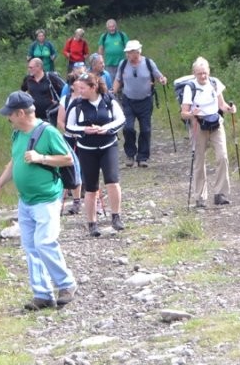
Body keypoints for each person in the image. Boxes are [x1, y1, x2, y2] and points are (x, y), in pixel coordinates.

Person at [0, 91, 78, 310]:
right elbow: (14, 161)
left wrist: (41, 158)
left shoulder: (48, 132)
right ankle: (42, 294)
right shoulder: (17, 134)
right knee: (30, 247)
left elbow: (67, 159)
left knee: (44, 243)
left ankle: (66, 284)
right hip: (25, 201)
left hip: (46, 199)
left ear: (20, 113)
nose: (7, 118)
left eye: (10, 114)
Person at [66, 72, 127, 236]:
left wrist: (106, 128)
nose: (79, 91)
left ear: (93, 87)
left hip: (108, 146)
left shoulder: (108, 100)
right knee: (91, 188)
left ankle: (116, 217)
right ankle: (92, 224)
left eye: (82, 88)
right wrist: (84, 130)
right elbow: (68, 127)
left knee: (112, 181)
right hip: (86, 150)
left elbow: (121, 119)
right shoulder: (76, 104)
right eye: (78, 88)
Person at [180, 57, 236, 207]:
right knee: (199, 161)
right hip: (198, 125)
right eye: (199, 73)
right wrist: (192, 114)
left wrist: (230, 109)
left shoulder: (214, 83)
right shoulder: (190, 87)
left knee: (223, 156)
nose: (203, 76)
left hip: (216, 124)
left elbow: (222, 105)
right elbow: (183, 113)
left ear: (209, 71)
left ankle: (220, 194)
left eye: (205, 73)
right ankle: (200, 197)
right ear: (194, 73)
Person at [113, 40, 166, 167]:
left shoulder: (148, 63)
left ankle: (143, 157)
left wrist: (162, 79)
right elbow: (118, 79)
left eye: (130, 52)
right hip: (128, 100)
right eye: (127, 52)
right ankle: (130, 155)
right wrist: (113, 92)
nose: (128, 54)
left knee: (145, 129)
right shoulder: (123, 64)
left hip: (145, 101)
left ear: (137, 52)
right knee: (128, 128)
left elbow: (158, 75)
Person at [57, 66, 88, 216]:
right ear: (72, 85)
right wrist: (70, 131)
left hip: (86, 137)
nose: (80, 83)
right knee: (71, 168)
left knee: (84, 166)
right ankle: (75, 201)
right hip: (69, 138)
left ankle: (83, 196)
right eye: (77, 81)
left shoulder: (88, 98)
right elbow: (60, 121)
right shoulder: (66, 99)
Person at [21, 58, 66, 123]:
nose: (29, 70)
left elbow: (65, 88)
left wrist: (58, 101)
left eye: (31, 67)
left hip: (50, 114)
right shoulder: (28, 79)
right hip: (34, 115)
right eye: (28, 67)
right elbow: (23, 91)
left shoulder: (50, 77)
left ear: (39, 67)